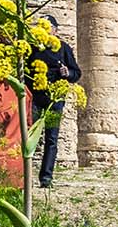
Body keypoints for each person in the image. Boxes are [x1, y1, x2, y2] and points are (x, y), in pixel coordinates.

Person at [28, 37, 81, 189]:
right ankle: (24, 176)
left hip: (54, 100)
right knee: (29, 135)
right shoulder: (33, 47)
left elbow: (76, 73)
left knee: (51, 138)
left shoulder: (63, 48)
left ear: (55, 30)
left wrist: (68, 73)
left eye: (49, 27)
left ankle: (46, 177)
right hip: (35, 100)